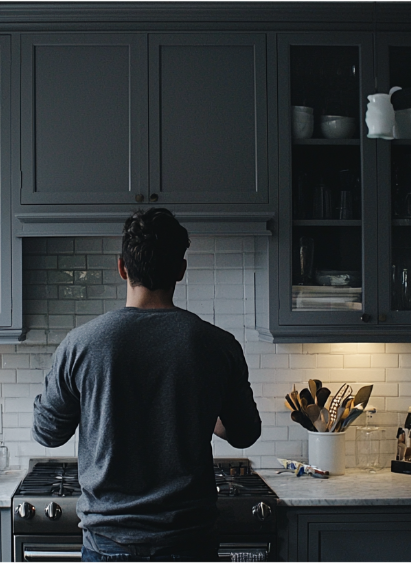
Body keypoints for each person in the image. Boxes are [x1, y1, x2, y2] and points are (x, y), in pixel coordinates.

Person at [32, 208, 262, 563]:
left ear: (122, 267)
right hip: (189, 541)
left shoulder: (81, 344)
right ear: (181, 271)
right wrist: (205, 408)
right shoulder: (218, 345)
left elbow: (48, 433)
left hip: (109, 542)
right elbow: (245, 433)